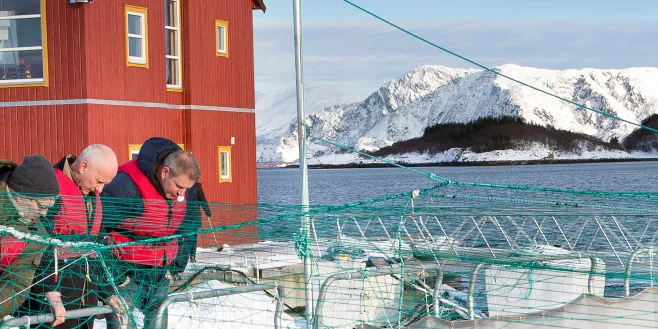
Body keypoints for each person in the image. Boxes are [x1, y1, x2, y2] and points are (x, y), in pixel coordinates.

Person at [100, 137, 201, 329]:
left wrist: (177, 264)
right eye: (179, 187)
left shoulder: (182, 188)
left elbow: (186, 224)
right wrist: (116, 278)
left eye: (186, 190)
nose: (182, 194)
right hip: (125, 273)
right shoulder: (124, 187)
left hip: (160, 274)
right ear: (165, 172)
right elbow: (98, 232)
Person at [20, 145, 124, 329]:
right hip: (53, 302)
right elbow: (34, 247)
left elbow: (95, 249)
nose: (100, 189)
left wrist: (107, 291)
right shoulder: (50, 189)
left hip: (85, 301)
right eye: (99, 181)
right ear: (83, 166)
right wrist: (49, 293)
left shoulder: (91, 195)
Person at [0, 155, 60, 321]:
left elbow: (16, 284)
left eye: (49, 207)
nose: (44, 213)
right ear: (20, 196)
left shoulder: (36, 234)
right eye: (41, 206)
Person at [171, 182, 212, 277]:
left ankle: (185, 260)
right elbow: (203, 200)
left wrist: (207, 211)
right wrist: (207, 211)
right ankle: (191, 256)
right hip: (189, 218)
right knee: (191, 239)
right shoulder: (196, 187)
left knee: (185, 240)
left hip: (184, 218)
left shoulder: (182, 185)